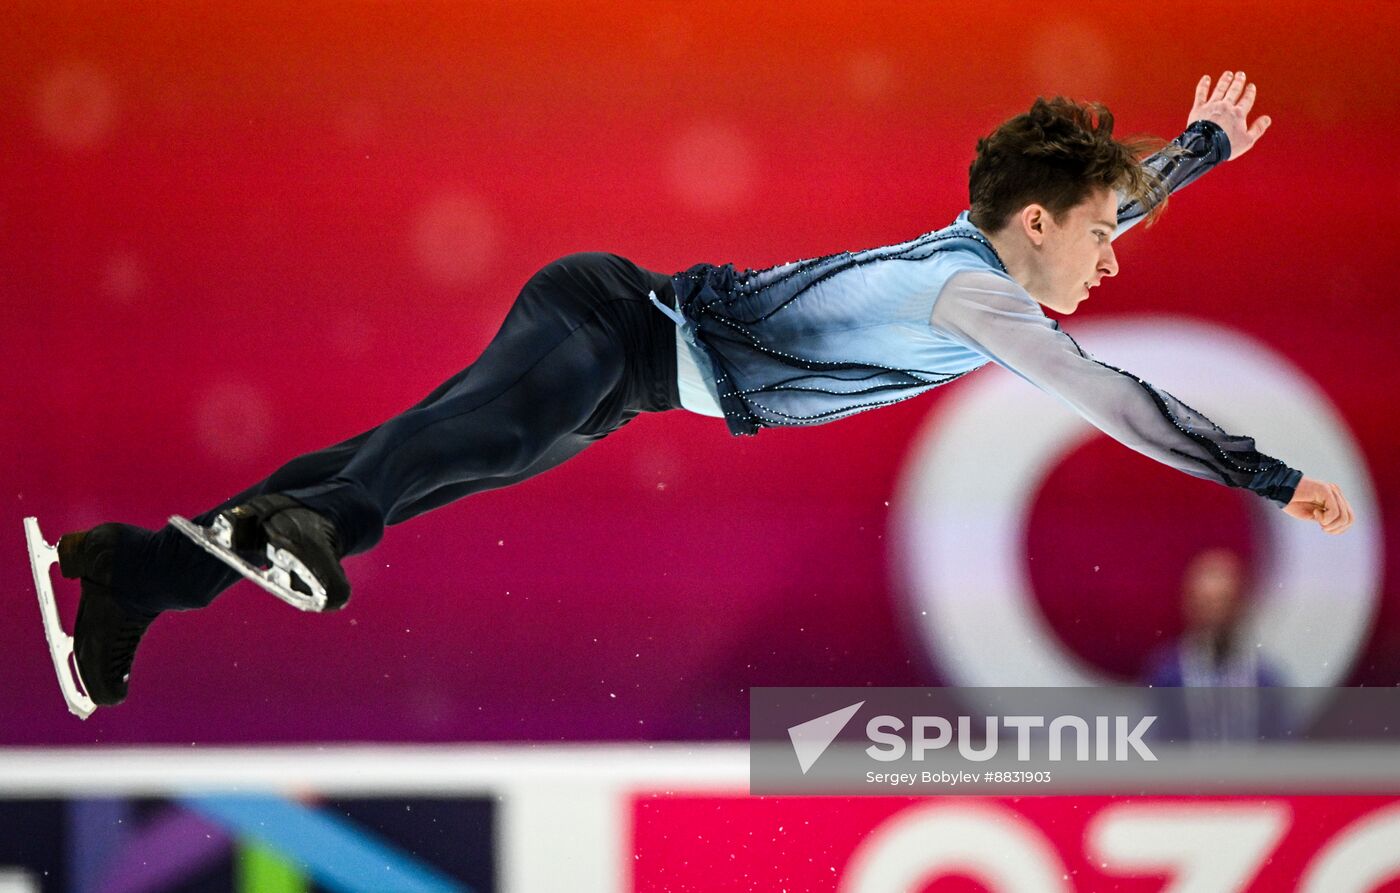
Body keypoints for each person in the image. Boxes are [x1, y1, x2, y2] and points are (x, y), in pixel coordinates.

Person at [39, 71, 1355, 711]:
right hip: (611, 322)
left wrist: (1199, 149)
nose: (1113, 256)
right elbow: (1113, 398)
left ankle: (135, 572)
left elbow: (1111, 196)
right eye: (1101, 237)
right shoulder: (981, 299)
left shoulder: (1007, 250)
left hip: (631, 381)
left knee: (421, 450)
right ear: (1033, 223)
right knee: (450, 446)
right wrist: (1267, 474)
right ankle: (310, 531)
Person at [1142, 547, 1291, 742]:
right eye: (1206, 604)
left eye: (1224, 603)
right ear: (1190, 606)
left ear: (1239, 607)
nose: (1214, 616)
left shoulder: (1265, 678)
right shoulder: (1167, 675)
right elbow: (1156, 740)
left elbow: (1282, 745)